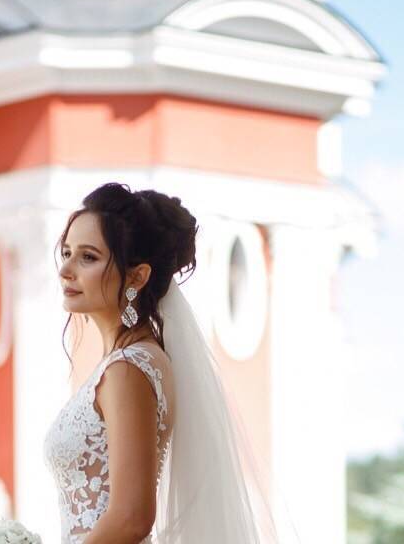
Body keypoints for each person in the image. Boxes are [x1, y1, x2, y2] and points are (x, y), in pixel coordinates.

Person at [43, 182, 280, 544]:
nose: (66, 270)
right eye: (67, 252)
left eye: (88, 257)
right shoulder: (131, 361)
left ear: (137, 275)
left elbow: (131, 518)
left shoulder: (128, 368)